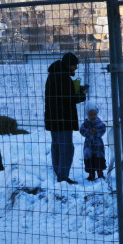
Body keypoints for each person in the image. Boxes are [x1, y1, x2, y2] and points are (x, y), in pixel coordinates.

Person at [44, 52, 88, 184]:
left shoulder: (55, 74)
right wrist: (82, 94)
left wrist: (77, 89)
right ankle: (62, 177)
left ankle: (58, 173)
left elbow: (64, 92)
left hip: (53, 117)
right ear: (69, 65)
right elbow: (68, 98)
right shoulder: (62, 77)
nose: (76, 68)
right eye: (75, 65)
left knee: (57, 145)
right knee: (66, 147)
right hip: (63, 117)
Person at [79, 102, 107, 181]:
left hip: (98, 145)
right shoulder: (85, 123)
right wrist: (88, 132)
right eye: (91, 115)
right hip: (88, 145)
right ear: (87, 115)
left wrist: (97, 132)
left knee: (99, 159)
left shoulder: (99, 123)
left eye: (94, 114)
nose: (93, 116)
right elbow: (81, 130)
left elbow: (103, 129)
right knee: (89, 159)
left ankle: (100, 173)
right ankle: (91, 174)